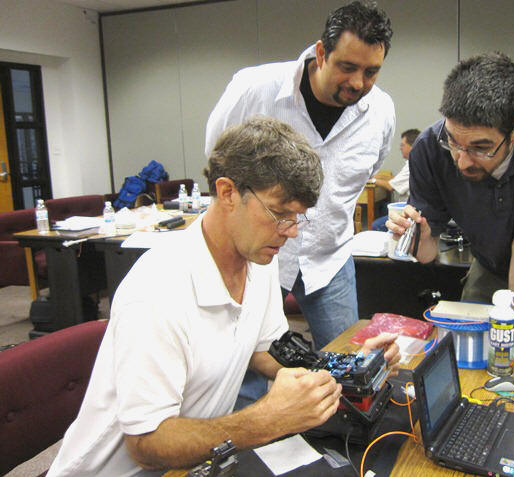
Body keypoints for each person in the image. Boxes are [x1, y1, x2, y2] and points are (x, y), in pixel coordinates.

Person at [48, 117, 399, 477]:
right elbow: (147, 446)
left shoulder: (257, 257)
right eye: (280, 214)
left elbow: (269, 352)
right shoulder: (157, 291)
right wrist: (266, 420)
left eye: (298, 217)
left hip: (196, 464)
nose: (292, 232)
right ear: (228, 192)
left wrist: (351, 369)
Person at [387, 53, 514, 465]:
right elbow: (429, 253)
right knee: (467, 372)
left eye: (481, 147)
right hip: (489, 259)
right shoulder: (431, 147)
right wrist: (419, 236)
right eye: (456, 142)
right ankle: (470, 452)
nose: (463, 160)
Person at [205, 1, 395, 349]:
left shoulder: (381, 112)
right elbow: (217, 160)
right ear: (321, 53)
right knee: (245, 366)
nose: (357, 82)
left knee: (346, 365)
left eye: (371, 72)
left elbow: (369, 171)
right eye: (347, 66)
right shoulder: (254, 89)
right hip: (255, 257)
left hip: (330, 258)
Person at [371, 128, 420, 231]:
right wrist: (376, 176)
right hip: (409, 205)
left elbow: (390, 187)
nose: (400, 148)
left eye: (402, 145)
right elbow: (395, 179)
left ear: (412, 146)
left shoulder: (413, 164)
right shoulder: (412, 161)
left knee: (375, 225)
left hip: (409, 209)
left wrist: (371, 180)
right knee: (384, 207)